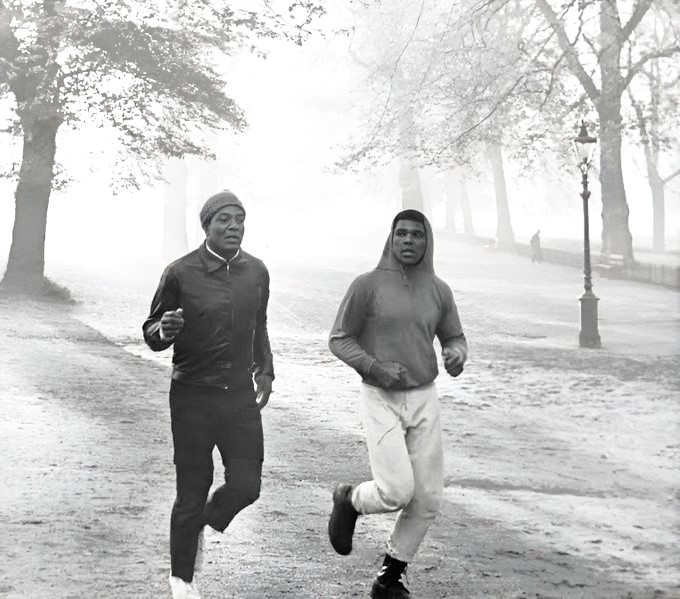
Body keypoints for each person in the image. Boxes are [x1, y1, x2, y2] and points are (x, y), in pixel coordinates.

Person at [327, 209, 468, 598]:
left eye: (416, 235)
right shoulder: (366, 285)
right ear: (390, 239)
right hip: (381, 397)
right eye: (401, 234)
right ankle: (350, 499)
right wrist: (375, 367)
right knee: (395, 491)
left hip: (424, 397)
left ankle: (389, 579)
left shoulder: (439, 290)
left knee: (427, 498)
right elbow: (339, 338)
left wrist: (457, 354)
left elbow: (454, 337)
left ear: (427, 242)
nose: (408, 241)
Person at [143, 190, 274, 599]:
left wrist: (265, 370)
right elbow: (151, 331)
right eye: (225, 220)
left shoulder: (257, 272)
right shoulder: (180, 273)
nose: (234, 226)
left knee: (247, 486)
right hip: (192, 398)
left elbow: (260, 325)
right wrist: (164, 330)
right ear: (207, 226)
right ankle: (181, 580)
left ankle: (199, 521)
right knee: (192, 487)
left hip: (238, 398)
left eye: (239, 219)